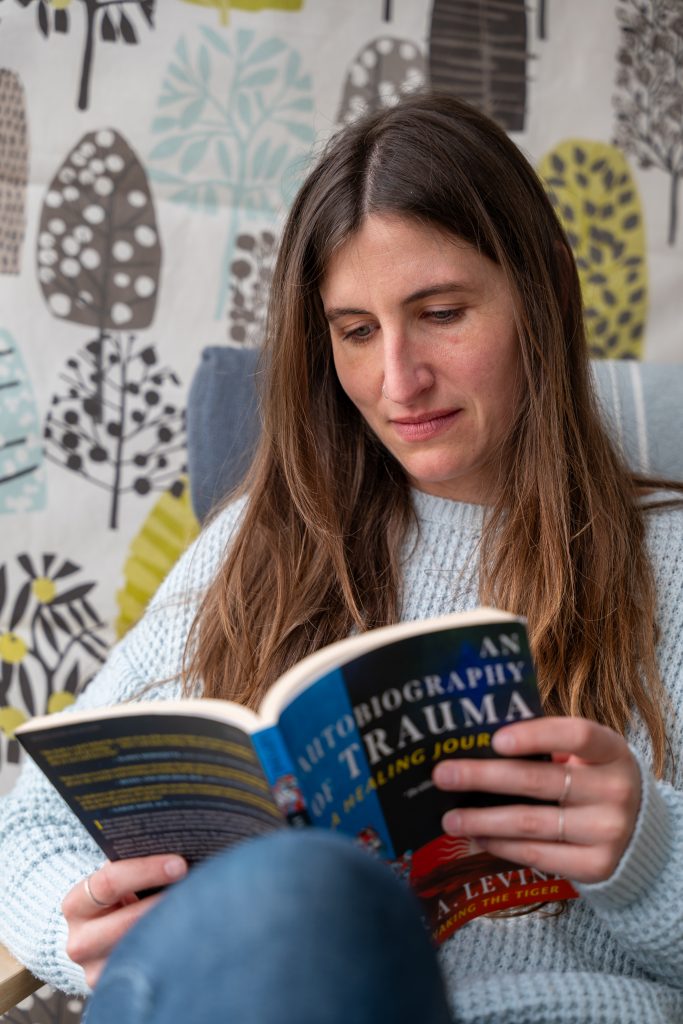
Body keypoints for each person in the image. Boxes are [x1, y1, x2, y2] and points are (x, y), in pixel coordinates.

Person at [2, 91, 683, 1024]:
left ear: (547, 293)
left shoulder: (671, 561)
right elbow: (34, 818)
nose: (396, 381)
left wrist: (645, 850)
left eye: (441, 313)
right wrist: (73, 926)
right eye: (356, 331)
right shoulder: (264, 542)